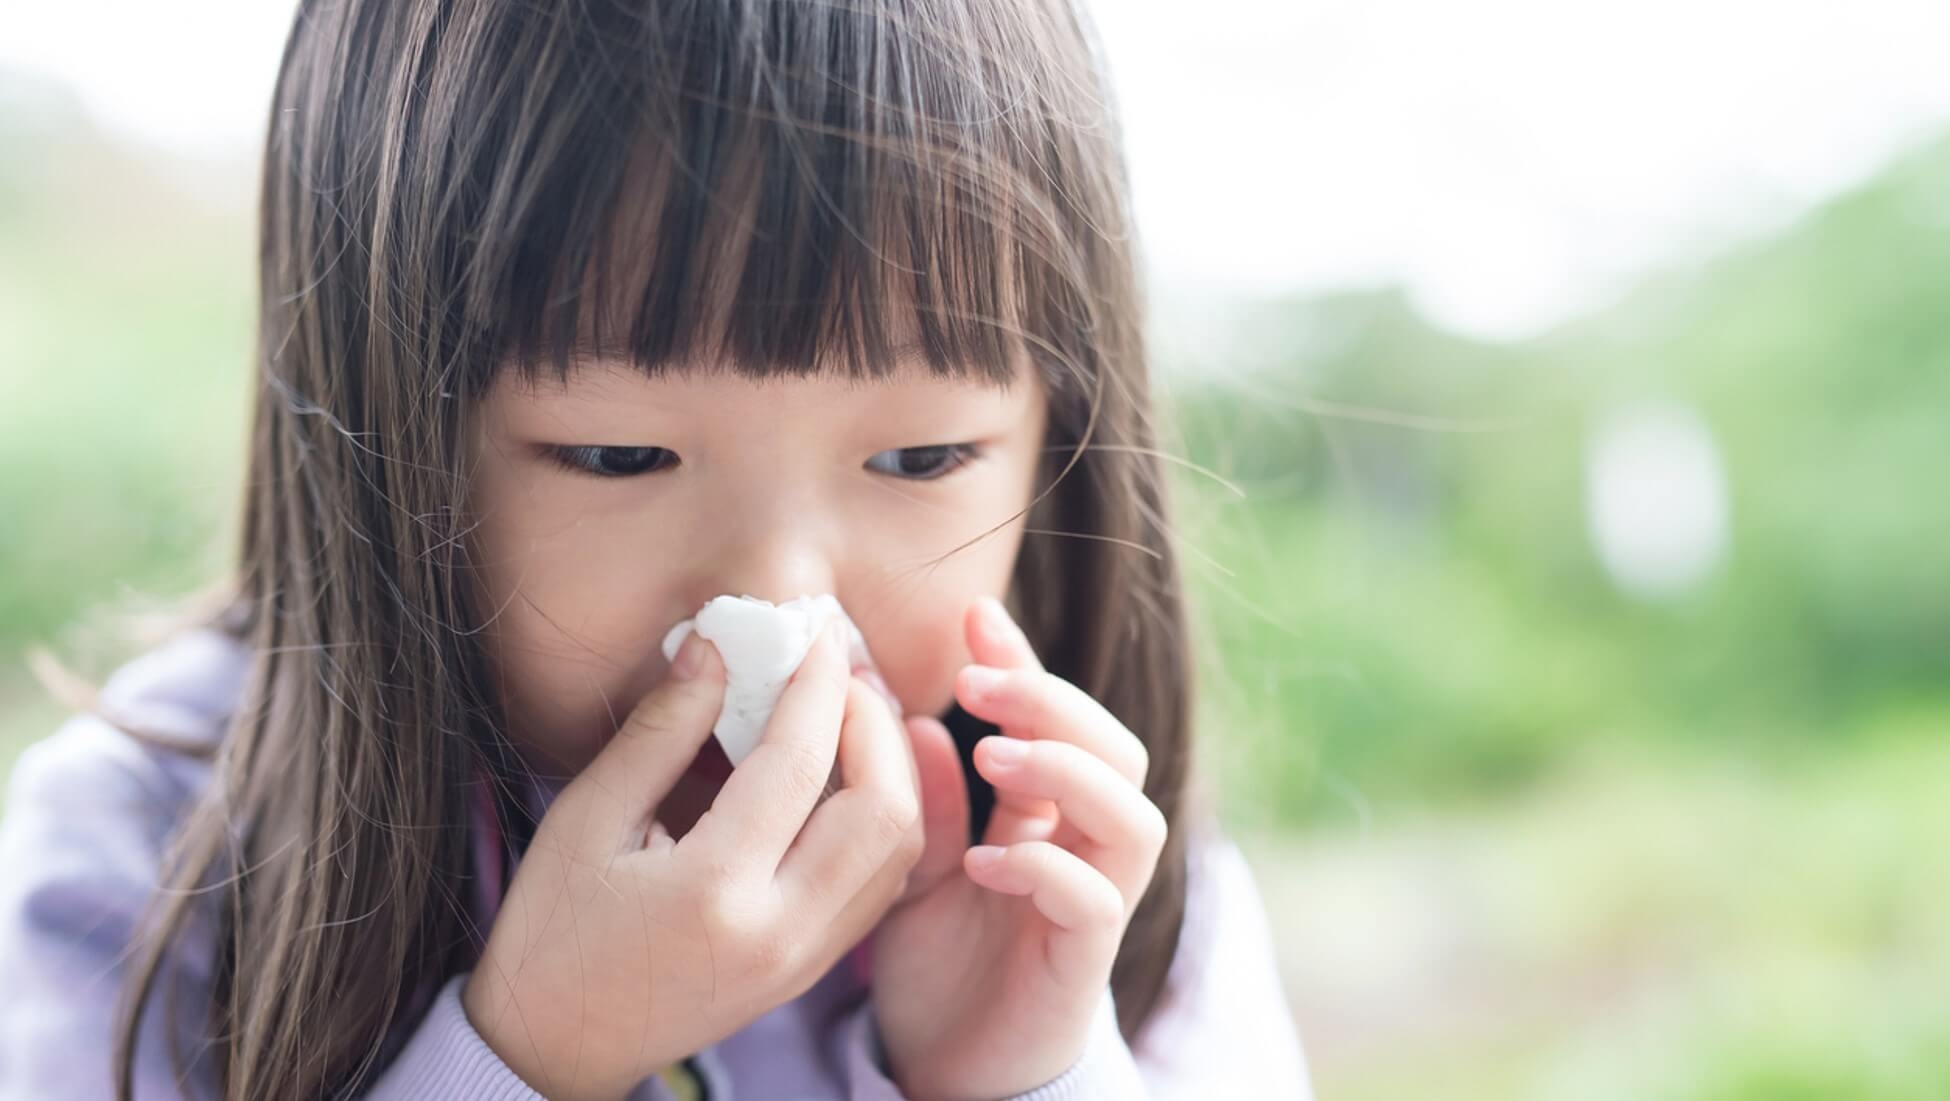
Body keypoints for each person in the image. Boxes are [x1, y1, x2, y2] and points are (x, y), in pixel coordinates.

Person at [0, 1, 1313, 1098]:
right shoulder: (143, 855)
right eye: (621, 456)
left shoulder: (1095, 890)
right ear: (386, 439)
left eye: (920, 460)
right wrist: (531, 1052)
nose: (782, 594)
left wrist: (1018, 1073)